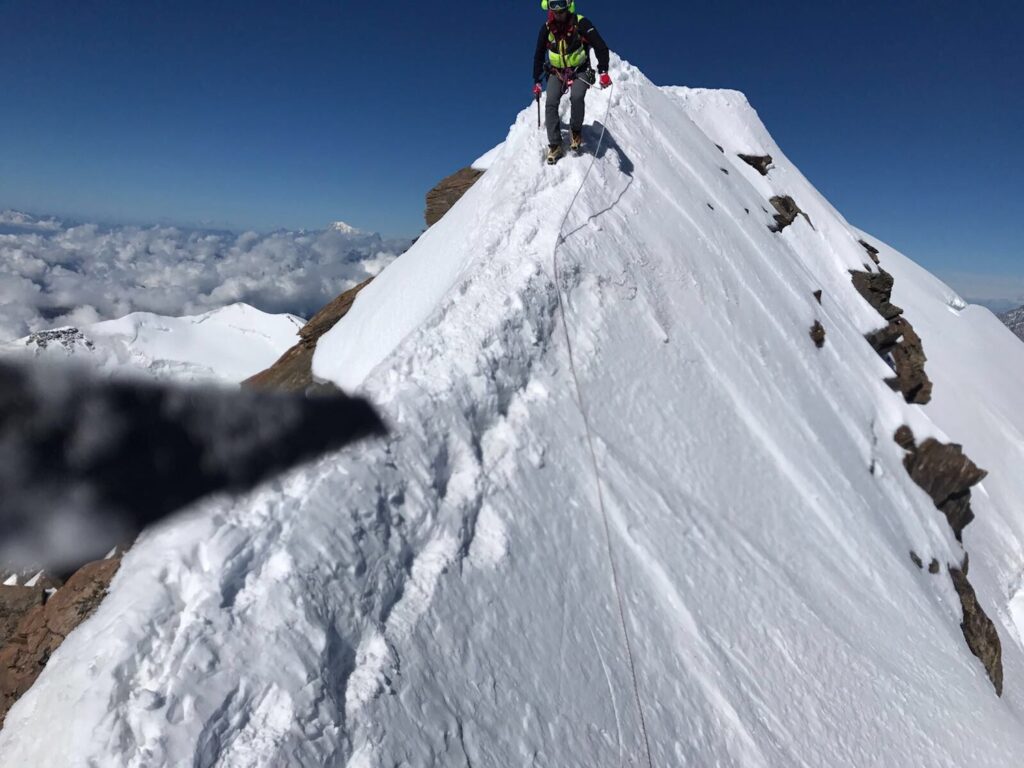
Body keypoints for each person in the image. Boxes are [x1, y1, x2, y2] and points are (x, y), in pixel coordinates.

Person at [532, 0, 612, 164]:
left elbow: (600, 46)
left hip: (580, 69)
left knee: (577, 96)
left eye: (562, 11)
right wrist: (537, 80)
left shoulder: (581, 22)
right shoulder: (547, 29)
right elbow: (539, 55)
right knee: (551, 103)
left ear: (568, 8)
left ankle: (575, 131)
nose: (559, 15)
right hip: (556, 72)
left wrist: (603, 71)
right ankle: (555, 144)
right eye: (556, 12)